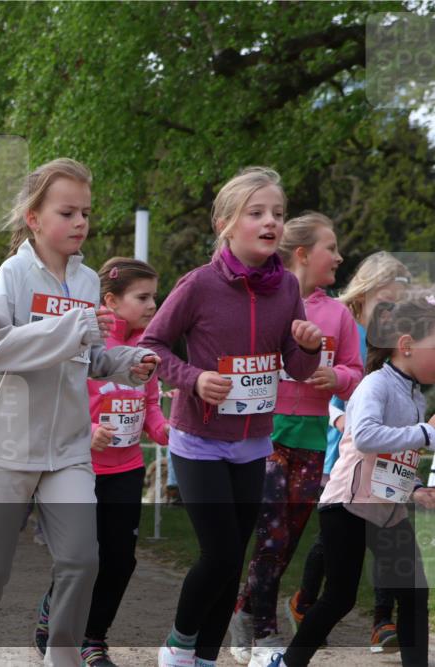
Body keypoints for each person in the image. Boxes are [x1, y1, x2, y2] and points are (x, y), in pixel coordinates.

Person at [0, 158, 158, 667]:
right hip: (7, 448)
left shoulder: (85, 281)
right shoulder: (13, 274)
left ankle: (61, 658)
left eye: (85, 212)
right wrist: (73, 329)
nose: (80, 222)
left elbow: (89, 358)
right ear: (35, 218)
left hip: (68, 452)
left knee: (83, 560)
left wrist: (128, 363)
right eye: (67, 212)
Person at [139, 167, 323, 667]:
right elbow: (152, 344)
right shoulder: (199, 285)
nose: (271, 223)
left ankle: (205, 658)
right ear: (225, 222)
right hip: (199, 439)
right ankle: (177, 647)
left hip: (254, 442)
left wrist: (310, 347)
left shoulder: (286, 287)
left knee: (232, 558)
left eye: (278, 215)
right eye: (256, 213)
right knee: (218, 554)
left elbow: (296, 365)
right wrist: (194, 379)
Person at [266, 297, 435, 667]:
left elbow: (396, 455)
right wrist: (425, 433)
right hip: (346, 506)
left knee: (413, 591)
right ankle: (289, 662)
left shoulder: (415, 396)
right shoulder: (375, 385)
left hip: (386, 508)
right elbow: (365, 437)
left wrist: (416, 486)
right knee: (339, 598)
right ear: (406, 345)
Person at [228, 213, 363, 665]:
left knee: (287, 541)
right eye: (332, 247)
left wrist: (336, 375)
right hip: (264, 431)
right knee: (270, 535)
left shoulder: (337, 312)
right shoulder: (264, 299)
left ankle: (245, 611)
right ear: (303, 253)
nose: (340, 257)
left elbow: (356, 373)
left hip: (311, 436)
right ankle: (265, 632)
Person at [38, 257, 170, 666]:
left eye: (154, 296)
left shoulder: (147, 351)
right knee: (83, 558)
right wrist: (89, 429)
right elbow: (61, 400)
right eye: (142, 297)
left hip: (127, 470)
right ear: (110, 301)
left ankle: (94, 638)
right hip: (82, 470)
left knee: (121, 559)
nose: (152, 305)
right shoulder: (90, 347)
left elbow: (150, 409)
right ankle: (55, 613)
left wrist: (170, 433)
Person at [289, 251, 412, 654]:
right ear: (364, 297)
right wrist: (345, 419)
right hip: (346, 468)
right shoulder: (345, 326)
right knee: (337, 575)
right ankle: (304, 604)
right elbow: (329, 387)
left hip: (385, 477)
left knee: (403, 573)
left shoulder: (402, 347)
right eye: (386, 301)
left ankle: (382, 621)